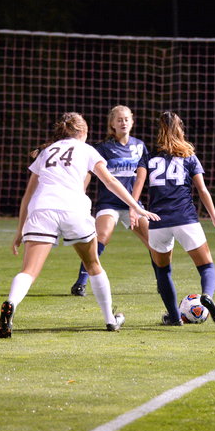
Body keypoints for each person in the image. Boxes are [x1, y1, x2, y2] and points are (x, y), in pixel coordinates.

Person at [0, 112, 159, 338]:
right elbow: (110, 181)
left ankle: (11, 303)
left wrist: (19, 231)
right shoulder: (87, 149)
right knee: (93, 265)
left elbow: (27, 196)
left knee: (29, 271)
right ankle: (110, 320)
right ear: (83, 131)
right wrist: (136, 206)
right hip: (73, 208)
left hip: (41, 209)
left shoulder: (46, 151)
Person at [132, 111, 215, 326]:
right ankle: (207, 296)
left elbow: (138, 184)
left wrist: (134, 209)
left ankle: (174, 318)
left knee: (163, 271)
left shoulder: (148, 157)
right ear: (180, 130)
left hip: (157, 222)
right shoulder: (189, 156)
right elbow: (202, 190)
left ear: (159, 130)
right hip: (185, 219)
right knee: (206, 267)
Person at [69, 105, 153, 297]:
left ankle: (162, 281)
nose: (123, 122)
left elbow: (142, 177)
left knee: (154, 241)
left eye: (126, 119)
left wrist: (134, 205)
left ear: (132, 121)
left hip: (133, 203)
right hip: (109, 203)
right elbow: (89, 173)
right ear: (112, 123)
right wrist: (79, 193)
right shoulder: (103, 148)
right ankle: (81, 283)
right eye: (119, 119)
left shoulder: (140, 146)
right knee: (102, 236)